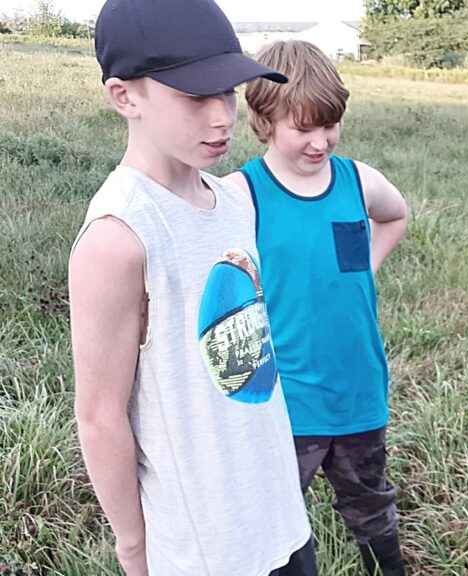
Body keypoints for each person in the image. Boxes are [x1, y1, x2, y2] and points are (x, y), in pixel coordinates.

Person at [68, 1, 317, 575]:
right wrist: (133, 547)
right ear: (124, 96)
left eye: (227, 93)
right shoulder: (119, 237)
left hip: (278, 511)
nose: (221, 118)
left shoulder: (233, 200)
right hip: (206, 545)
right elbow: (100, 415)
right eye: (194, 97)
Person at [225, 40, 409, 576]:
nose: (319, 141)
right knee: (276, 514)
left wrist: (364, 268)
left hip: (357, 388)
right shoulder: (243, 194)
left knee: (370, 501)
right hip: (286, 400)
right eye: (302, 127)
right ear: (262, 121)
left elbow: (394, 216)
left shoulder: (357, 181)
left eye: (329, 125)